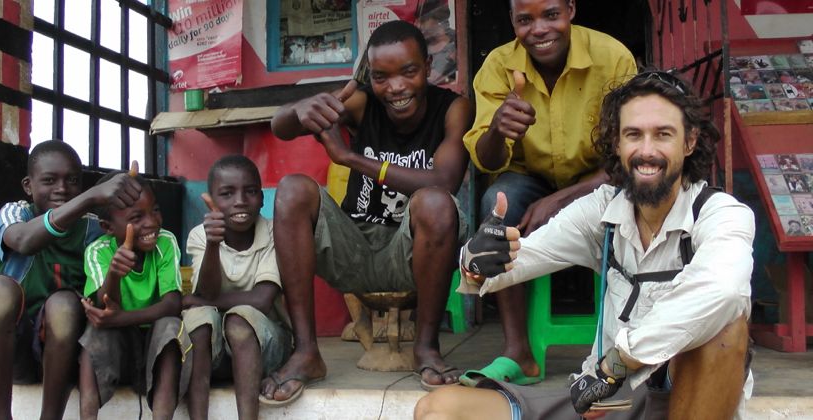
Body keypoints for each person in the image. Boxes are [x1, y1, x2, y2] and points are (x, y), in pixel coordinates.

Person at [416, 71, 754, 419]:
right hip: (602, 403)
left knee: (726, 330)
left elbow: (723, 291)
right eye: (633, 135)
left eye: (663, 135)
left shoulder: (720, 214)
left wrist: (619, 363)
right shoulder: (604, 208)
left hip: (675, 401)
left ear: (689, 141)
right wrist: (477, 261)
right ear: (617, 144)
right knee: (439, 410)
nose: (647, 151)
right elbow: (523, 257)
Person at [261, 19, 474, 403]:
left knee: (435, 201)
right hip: (352, 247)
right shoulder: (360, 101)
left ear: (428, 66)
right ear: (370, 77)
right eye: (381, 77)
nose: (395, 88)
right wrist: (299, 108)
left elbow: (444, 180)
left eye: (408, 72)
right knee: (292, 190)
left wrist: (350, 158)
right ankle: (306, 352)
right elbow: (280, 128)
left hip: (412, 252)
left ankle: (426, 348)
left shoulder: (452, 108)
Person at [459, 0, 637, 386]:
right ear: (512, 21)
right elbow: (488, 162)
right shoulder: (498, 66)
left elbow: (630, 155)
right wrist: (497, 129)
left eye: (550, 15)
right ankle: (518, 352)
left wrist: (561, 199)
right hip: (529, 178)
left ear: (571, 10)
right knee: (497, 205)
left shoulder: (612, 58)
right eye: (525, 20)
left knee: (635, 206)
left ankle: (624, 344)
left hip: (601, 178)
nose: (539, 29)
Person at [0, 140, 141, 420]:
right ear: (28, 186)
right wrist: (90, 196)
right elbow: (24, 240)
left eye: (72, 181)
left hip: (65, 354)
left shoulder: (93, 228)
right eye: (49, 180)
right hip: (11, 350)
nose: (62, 189)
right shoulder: (16, 214)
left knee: (65, 303)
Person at [182, 155, 293, 419]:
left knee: (238, 320)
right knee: (198, 319)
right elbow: (206, 294)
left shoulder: (275, 233)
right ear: (211, 200)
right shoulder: (200, 235)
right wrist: (212, 245)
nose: (240, 201)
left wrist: (203, 301)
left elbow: (263, 299)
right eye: (227, 193)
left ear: (263, 198)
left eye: (251, 191)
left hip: (268, 347)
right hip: (218, 354)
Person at [77, 171, 190, 420]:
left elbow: (172, 304)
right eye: (136, 217)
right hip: (120, 350)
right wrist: (114, 274)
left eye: (155, 210)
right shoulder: (98, 251)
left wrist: (119, 318)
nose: (151, 223)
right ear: (107, 227)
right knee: (93, 336)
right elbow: (102, 306)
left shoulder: (165, 242)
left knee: (170, 327)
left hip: (154, 347)